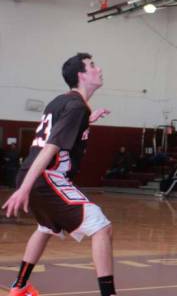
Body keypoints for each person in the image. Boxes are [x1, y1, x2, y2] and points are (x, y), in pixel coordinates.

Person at [2, 53, 116, 296]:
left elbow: (59, 132)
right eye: (93, 65)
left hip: (30, 174)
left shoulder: (62, 101)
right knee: (101, 227)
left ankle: (20, 286)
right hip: (46, 176)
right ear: (81, 75)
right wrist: (24, 190)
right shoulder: (77, 107)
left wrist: (88, 121)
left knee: (45, 228)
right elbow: (50, 147)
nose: (99, 68)